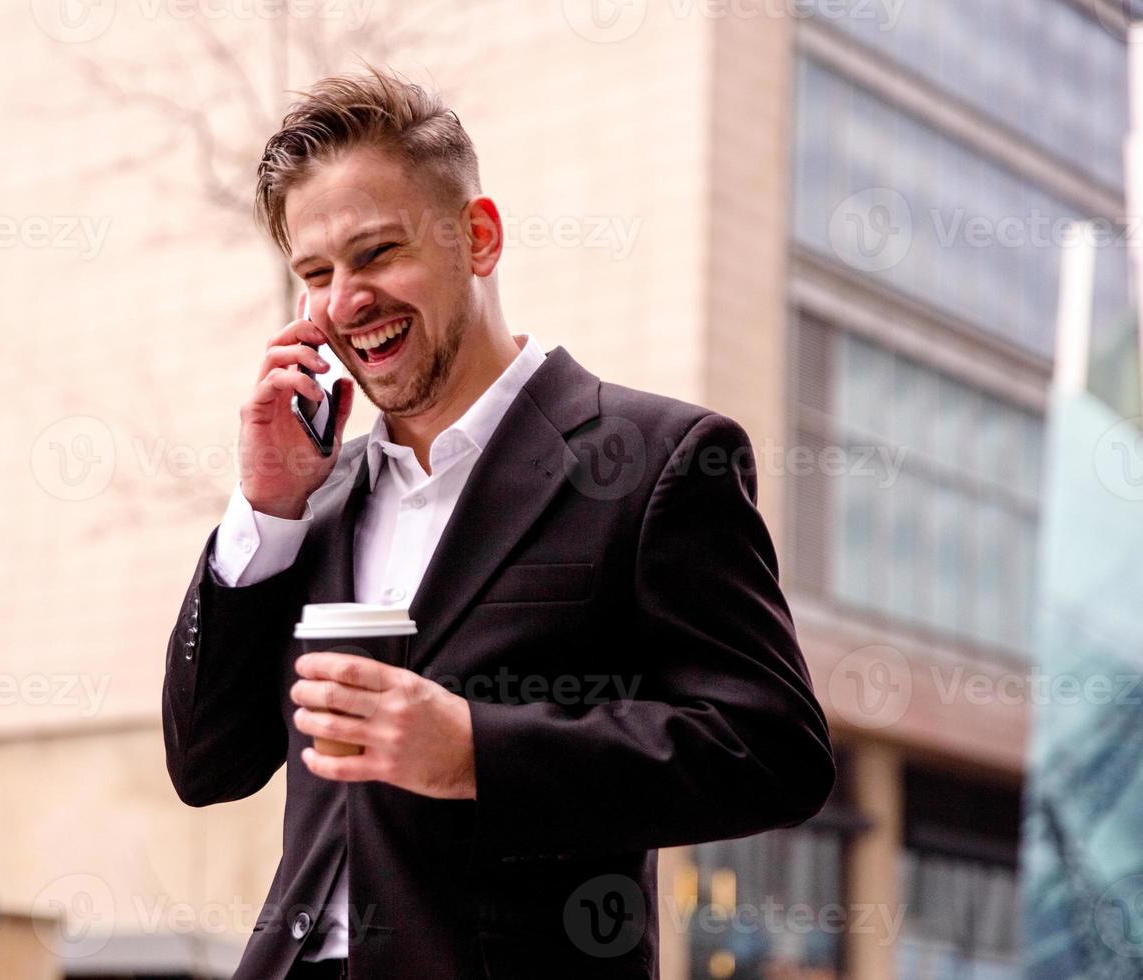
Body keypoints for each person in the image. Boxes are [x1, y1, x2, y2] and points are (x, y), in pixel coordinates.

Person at [163, 64, 835, 980]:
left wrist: (478, 752)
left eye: (377, 253)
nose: (343, 301)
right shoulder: (316, 496)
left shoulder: (657, 461)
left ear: (478, 239)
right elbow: (208, 767)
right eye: (314, 274)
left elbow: (775, 751)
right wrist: (265, 510)